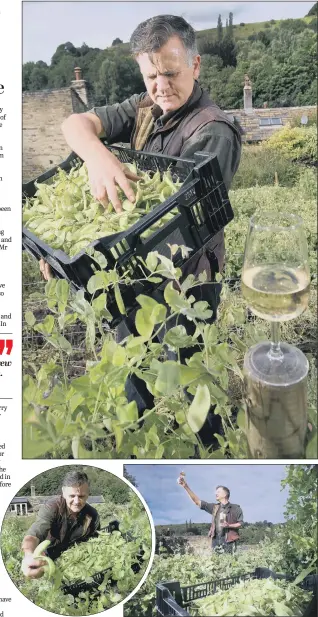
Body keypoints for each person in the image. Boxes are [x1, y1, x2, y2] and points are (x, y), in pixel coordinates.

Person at [39, 15, 242, 444]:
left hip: (186, 280)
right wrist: (98, 156)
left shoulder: (212, 132)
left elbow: (178, 224)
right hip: (131, 277)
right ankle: (131, 436)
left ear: (196, 66)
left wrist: (88, 259)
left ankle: (213, 446)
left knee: (189, 373)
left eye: (170, 73)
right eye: (151, 75)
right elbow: (74, 125)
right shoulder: (144, 107)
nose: (161, 86)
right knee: (135, 366)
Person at [21, 471, 100, 578]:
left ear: (88, 494)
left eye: (81, 496)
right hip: (50, 554)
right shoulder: (52, 508)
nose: (76, 501)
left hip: (75, 557)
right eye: (72, 496)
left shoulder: (92, 515)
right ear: (63, 492)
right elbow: (34, 534)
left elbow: (94, 539)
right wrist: (29, 554)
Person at [177, 474, 243, 553]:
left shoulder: (236, 508)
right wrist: (185, 486)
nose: (216, 493)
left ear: (225, 494)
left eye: (218, 492)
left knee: (229, 563)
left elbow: (240, 524)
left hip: (229, 542)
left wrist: (229, 525)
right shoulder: (214, 507)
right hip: (215, 542)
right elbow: (197, 502)